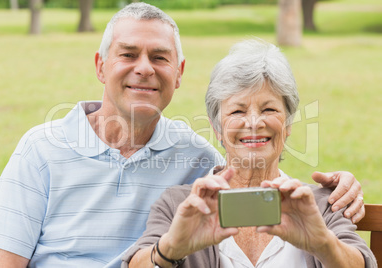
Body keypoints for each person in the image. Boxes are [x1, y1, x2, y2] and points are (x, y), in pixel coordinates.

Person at [0, 3, 365, 268]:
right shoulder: (41, 148)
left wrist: (340, 193)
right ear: (101, 66)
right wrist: (170, 249)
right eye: (128, 54)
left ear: (178, 73)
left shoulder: (194, 158)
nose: (144, 69)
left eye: (159, 57)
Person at [123, 39, 376, 268]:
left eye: (269, 109)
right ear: (217, 128)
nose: (254, 122)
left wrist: (322, 242)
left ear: (287, 125)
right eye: (237, 112)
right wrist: (170, 249)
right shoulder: (180, 205)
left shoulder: (319, 204)